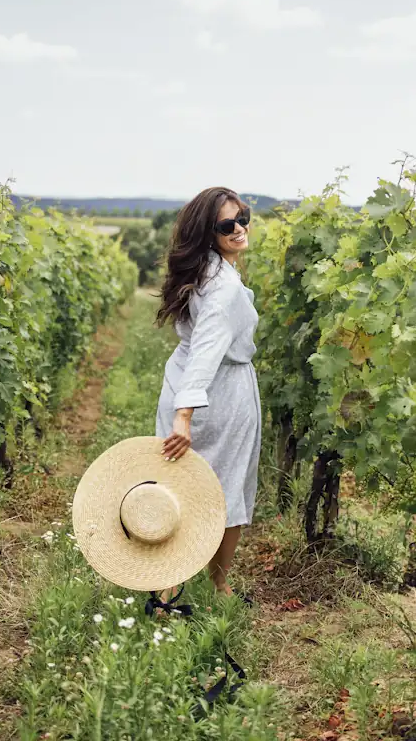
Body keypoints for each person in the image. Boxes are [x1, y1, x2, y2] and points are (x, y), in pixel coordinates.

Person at [155, 186, 260, 599]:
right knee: (225, 487)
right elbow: (209, 348)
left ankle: (168, 584)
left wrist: (180, 405)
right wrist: (186, 415)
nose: (239, 228)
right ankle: (216, 585)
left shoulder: (208, 270)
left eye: (243, 217)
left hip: (182, 381)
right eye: (226, 225)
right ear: (207, 232)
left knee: (177, 484)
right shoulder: (224, 286)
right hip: (218, 392)